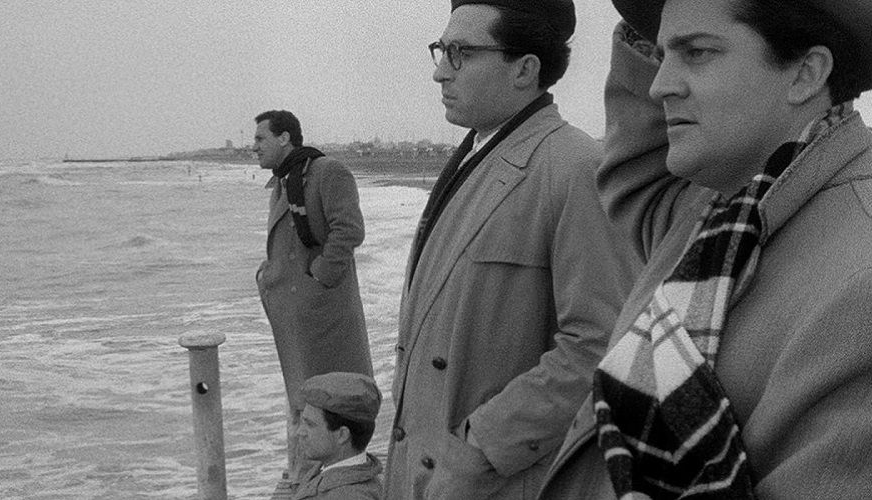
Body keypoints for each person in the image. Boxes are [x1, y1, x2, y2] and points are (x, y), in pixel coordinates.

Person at [538, 0, 872, 498]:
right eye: (661, 56)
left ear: (806, 74)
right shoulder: (716, 215)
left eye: (697, 52)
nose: (659, 84)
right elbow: (635, 174)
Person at [383, 1, 639, 498]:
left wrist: (480, 449)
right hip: (428, 468)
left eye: (460, 54)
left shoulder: (573, 166)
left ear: (525, 69)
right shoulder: (477, 153)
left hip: (493, 480)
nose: (439, 72)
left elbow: (602, 343)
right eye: (441, 51)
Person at [253, 110, 375, 484]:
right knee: (307, 404)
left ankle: (319, 483)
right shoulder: (287, 178)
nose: (253, 146)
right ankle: (305, 480)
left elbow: (349, 230)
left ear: (285, 138)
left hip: (323, 315)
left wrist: (318, 277)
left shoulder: (326, 171)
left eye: (260, 139)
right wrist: (269, 274)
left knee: (328, 404)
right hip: (299, 315)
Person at [292, 372, 384, 500]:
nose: (300, 432)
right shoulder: (326, 469)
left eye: (310, 424)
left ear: (342, 435)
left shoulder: (351, 496)